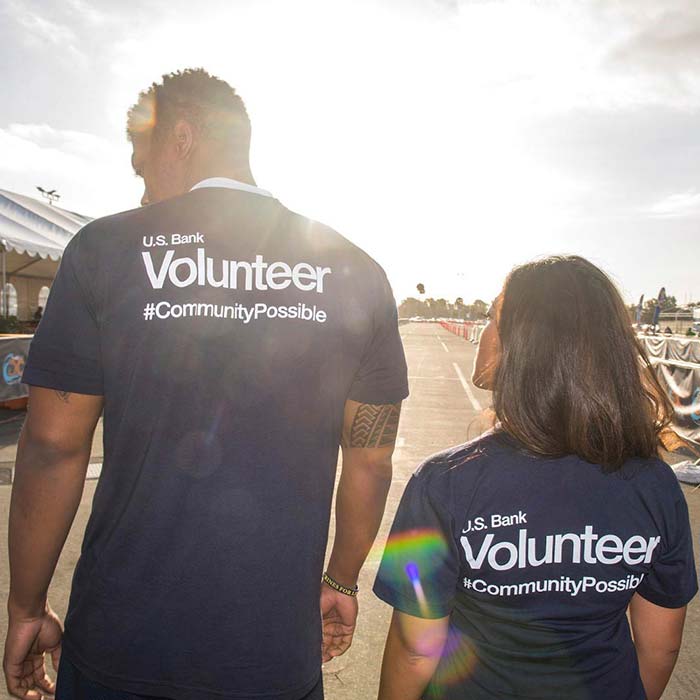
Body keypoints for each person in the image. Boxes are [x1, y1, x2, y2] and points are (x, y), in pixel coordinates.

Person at [3, 68, 409, 700]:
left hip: (121, 644)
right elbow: (371, 456)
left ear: (183, 137)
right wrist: (342, 580)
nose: (141, 193)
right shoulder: (355, 270)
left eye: (142, 168)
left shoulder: (105, 251)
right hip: (271, 652)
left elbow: (54, 444)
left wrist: (27, 606)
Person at [374, 256, 697, 700]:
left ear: (524, 344)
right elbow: (661, 646)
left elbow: (415, 650)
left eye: (492, 318)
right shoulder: (656, 486)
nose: (485, 331)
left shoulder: (443, 483)